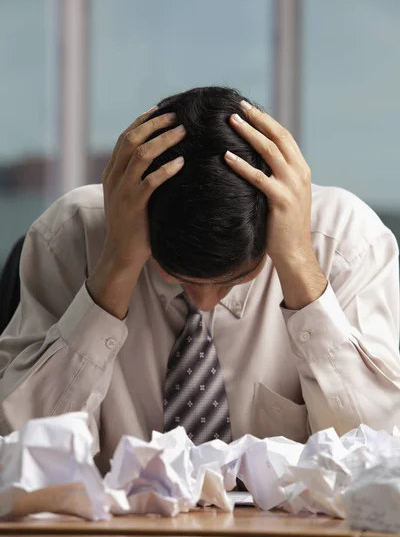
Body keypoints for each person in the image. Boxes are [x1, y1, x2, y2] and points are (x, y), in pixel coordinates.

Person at [0, 86, 399, 474]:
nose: (205, 301)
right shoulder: (70, 237)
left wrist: (298, 265)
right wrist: (117, 266)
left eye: (235, 278)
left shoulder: (346, 243)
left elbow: (381, 458)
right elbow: (19, 453)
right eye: (175, 274)